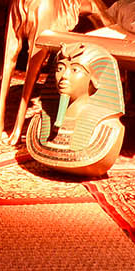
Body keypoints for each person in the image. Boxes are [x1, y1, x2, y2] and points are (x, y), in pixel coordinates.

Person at [22, 41, 126, 177]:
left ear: (94, 81)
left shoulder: (107, 127)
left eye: (75, 70)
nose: (64, 76)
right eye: (60, 68)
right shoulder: (41, 121)